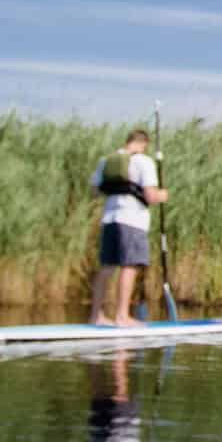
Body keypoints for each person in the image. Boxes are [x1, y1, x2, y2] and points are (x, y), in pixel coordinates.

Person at [88, 128, 165, 329]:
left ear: (127, 141)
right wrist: (162, 196)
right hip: (132, 220)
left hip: (109, 218)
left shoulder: (106, 161)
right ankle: (122, 316)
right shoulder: (143, 161)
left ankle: (96, 316)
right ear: (143, 144)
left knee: (106, 268)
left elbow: (94, 191)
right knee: (129, 266)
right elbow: (150, 196)